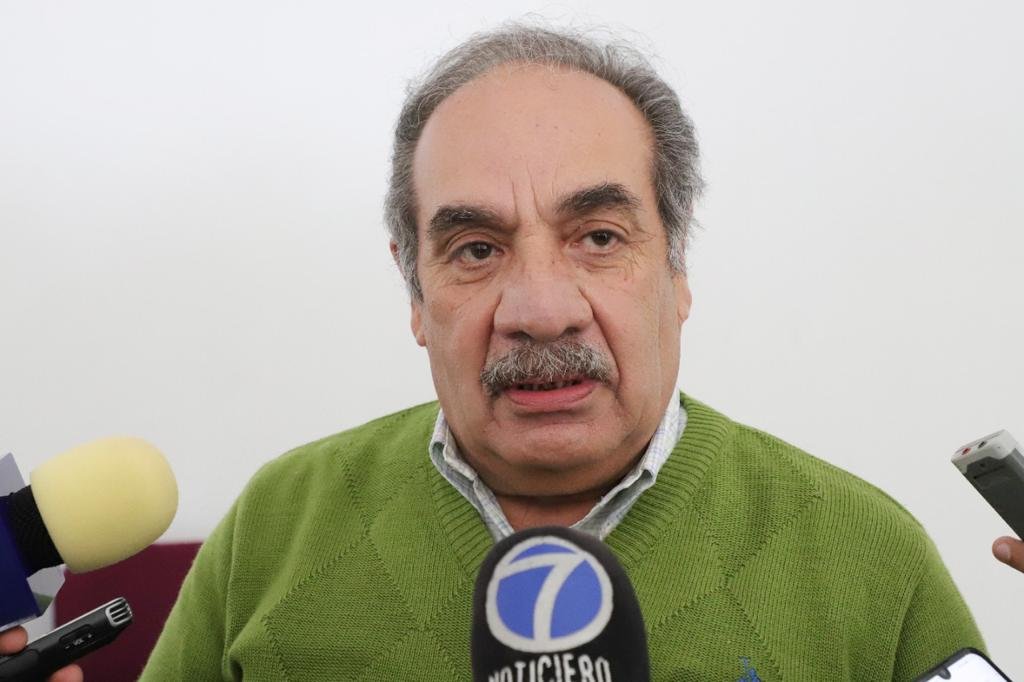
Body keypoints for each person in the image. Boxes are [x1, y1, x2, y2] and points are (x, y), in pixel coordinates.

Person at [131, 24, 983, 680]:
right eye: (476, 250)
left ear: (677, 270)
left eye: (599, 238)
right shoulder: (276, 527)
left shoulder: (867, 554)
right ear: (416, 293)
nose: (541, 312)